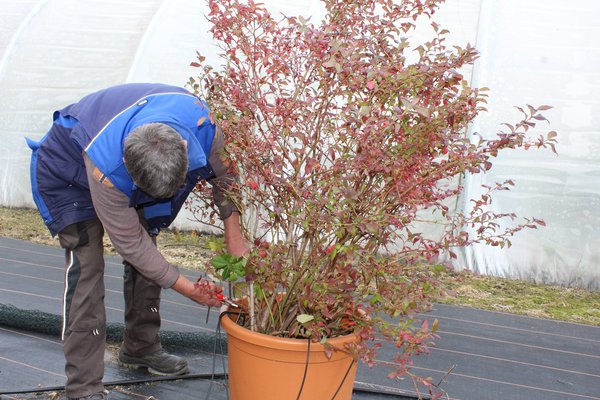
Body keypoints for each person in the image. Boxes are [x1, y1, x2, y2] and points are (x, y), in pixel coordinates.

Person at [26, 83, 246, 400]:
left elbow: (225, 177)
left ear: (183, 146)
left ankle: (140, 348)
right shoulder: (108, 166)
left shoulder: (202, 125)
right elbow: (131, 244)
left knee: (149, 249)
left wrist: (234, 237)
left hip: (129, 166)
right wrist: (188, 288)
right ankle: (84, 388)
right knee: (88, 268)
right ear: (129, 167)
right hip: (68, 172)